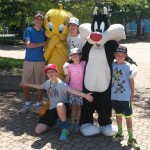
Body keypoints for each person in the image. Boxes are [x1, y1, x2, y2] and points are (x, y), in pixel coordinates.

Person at [21, 64, 93, 141]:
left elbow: (73, 90)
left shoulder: (62, 84)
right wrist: (27, 84)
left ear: (56, 73)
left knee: (59, 105)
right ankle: (54, 122)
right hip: (53, 109)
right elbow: (40, 86)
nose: (50, 74)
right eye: (48, 72)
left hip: (64, 108)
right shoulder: (47, 83)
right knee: (38, 130)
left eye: (52, 71)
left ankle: (64, 129)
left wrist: (85, 95)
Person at [111, 45, 140, 149]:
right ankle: (119, 134)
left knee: (128, 117)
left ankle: (131, 138)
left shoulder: (128, 66)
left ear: (125, 56)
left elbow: (131, 81)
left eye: (122, 55)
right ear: (114, 55)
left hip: (125, 97)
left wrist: (132, 94)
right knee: (118, 115)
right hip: (114, 96)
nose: (120, 57)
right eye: (118, 55)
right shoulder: (112, 65)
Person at [19, 11, 47, 114]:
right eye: (37, 18)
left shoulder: (45, 32)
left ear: (43, 21)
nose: (39, 20)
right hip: (28, 61)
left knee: (40, 84)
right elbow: (28, 45)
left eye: (41, 19)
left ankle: (38, 105)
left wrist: (45, 44)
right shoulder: (28, 30)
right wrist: (41, 44)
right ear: (34, 19)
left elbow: (48, 44)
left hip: (40, 61)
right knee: (25, 85)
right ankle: (27, 104)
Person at [64, 47, 86, 132]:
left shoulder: (84, 63)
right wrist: (64, 86)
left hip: (81, 90)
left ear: (80, 55)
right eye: (72, 55)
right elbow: (68, 77)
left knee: (79, 107)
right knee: (73, 107)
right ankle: (73, 122)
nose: (74, 57)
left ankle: (78, 123)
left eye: (76, 55)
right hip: (72, 89)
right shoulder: (70, 66)